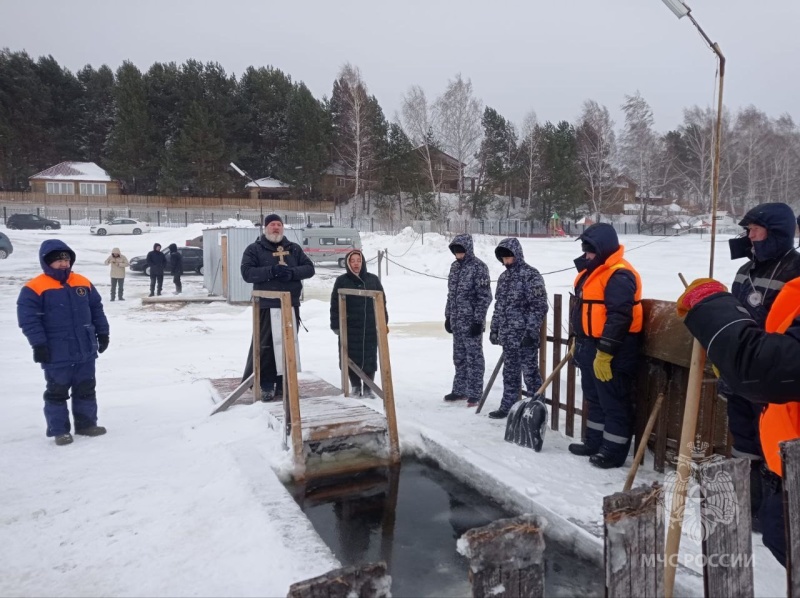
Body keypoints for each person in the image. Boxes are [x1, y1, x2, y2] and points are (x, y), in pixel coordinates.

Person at [678, 267, 800, 568]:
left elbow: (765, 367)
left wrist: (712, 305)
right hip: (785, 456)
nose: (751, 233)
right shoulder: (751, 270)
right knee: (777, 534)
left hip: (789, 458)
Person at [720, 202, 800, 519]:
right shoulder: (745, 271)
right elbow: (733, 318)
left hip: (772, 382)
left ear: (776, 233)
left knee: (774, 446)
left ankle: (773, 513)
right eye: (748, 231)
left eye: (756, 230)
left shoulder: (795, 271)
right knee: (743, 441)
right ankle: (747, 505)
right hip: (739, 375)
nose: (749, 237)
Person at [17, 240, 110, 446]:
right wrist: (38, 344)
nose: (64, 263)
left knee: (86, 388)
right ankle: (60, 431)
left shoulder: (82, 282)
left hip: (85, 348)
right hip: (56, 351)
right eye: (58, 260)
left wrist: (103, 334)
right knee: (57, 392)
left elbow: (97, 309)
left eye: (66, 258)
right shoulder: (34, 287)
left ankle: (86, 424)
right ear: (46, 261)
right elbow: (29, 319)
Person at [568, 223, 643, 469]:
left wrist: (606, 351)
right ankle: (595, 442)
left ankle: (613, 451)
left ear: (601, 250)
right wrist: (577, 342)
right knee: (594, 397)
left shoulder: (619, 274)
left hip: (615, 349)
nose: (585, 255)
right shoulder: (593, 272)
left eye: (589, 251)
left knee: (614, 400)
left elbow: (620, 316)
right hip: (590, 344)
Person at [241, 214, 315, 401]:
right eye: (272, 224)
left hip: (290, 304)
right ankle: (266, 383)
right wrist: (271, 271)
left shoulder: (293, 249)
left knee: (288, 346)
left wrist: (291, 273)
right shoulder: (254, 249)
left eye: (279, 225)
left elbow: (309, 269)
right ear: (265, 228)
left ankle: (284, 383)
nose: (276, 228)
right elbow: (247, 273)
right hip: (267, 305)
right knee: (266, 346)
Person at [487, 237, 547, 420]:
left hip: (524, 337)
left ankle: (535, 412)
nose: (506, 261)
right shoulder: (504, 278)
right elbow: (499, 306)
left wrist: (530, 331)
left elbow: (539, 306)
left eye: (509, 257)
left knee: (530, 375)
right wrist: (495, 328)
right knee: (510, 373)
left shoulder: (531, 275)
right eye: (503, 258)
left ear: (517, 255)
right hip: (508, 336)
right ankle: (508, 406)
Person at [330, 249, 388, 397]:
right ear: (348, 263)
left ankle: (369, 387)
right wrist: (336, 325)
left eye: (359, 261)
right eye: (352, 261)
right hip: (350, 326)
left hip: (369, 325)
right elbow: (335, 304)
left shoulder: (372, 279)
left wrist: (383, 322)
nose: (356, 264)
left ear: (363, 262)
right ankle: (355, 386)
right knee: (351, 355)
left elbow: (382, 302)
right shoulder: (342, 281)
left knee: (369, 356)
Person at [444, 234, 492, 406]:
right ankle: (459, 390)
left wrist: (478, 320)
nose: (458, 254)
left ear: (468, 249)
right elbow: (451, 294)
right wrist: (448, 316)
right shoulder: (454, 268)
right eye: (455, 251)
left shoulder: (479, 267)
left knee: (474, 358)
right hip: (457, 321)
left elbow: (485, 296)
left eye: (461, 251)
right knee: (459, 357)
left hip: (472, 322)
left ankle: (475, 393)